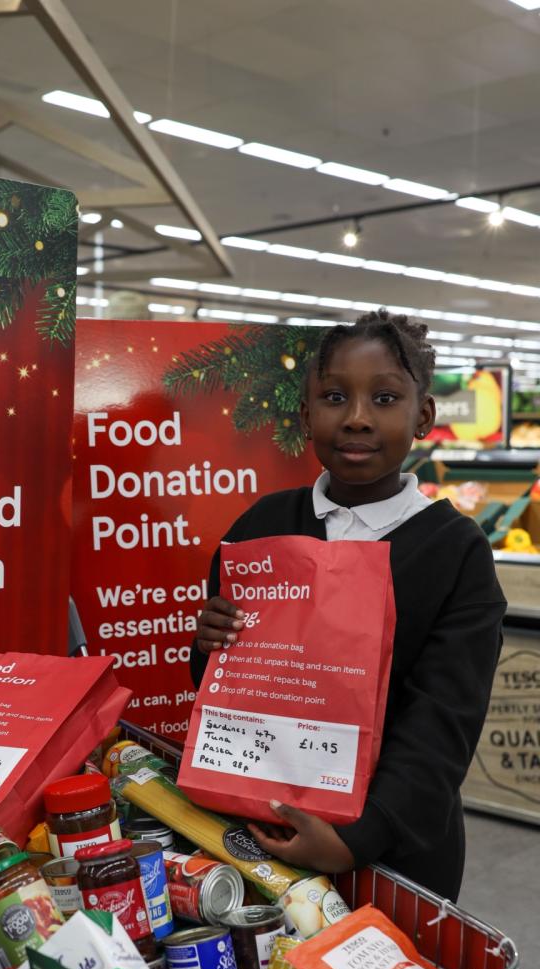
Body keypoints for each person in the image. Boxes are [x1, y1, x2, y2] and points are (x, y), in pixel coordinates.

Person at [191, 310, 506, 900]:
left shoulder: (455, 552)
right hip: (261, 828)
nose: (358, 418)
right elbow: (225, 685)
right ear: (307, 416)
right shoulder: (263, 526)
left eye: (385, 398)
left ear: (423, 417)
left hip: (396, 850)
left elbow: (445, 718)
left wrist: (360, 835)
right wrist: (209, 642)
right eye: (335, 397)